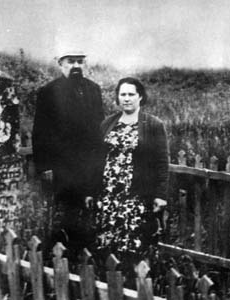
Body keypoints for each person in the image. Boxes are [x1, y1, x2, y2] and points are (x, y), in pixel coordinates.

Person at [32, 50, 104, 257]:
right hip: (62, 167)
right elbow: (40, 133)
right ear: (60, 63)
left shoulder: (93, 90)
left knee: (88, 213)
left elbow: (99, 129)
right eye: (71, 61)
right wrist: (44, 168)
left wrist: (99, 163)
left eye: (80, 61)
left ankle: (87, 258)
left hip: (89, 166)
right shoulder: (48, 92)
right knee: (64, 216)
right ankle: (60, 259)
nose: (76, 66)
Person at [94, 77, 169, 276]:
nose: (126, 99)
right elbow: (97, 158)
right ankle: (113, 284)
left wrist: (160, 195)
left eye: (131, 94)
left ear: (140, 97)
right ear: (117, 97)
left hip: (135, 196)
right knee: (109, 243)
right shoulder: (108, 123)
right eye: (122, 94)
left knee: (135, 244)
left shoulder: (153, 125)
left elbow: (162, 162)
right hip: (109, 195)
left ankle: (136, 286)